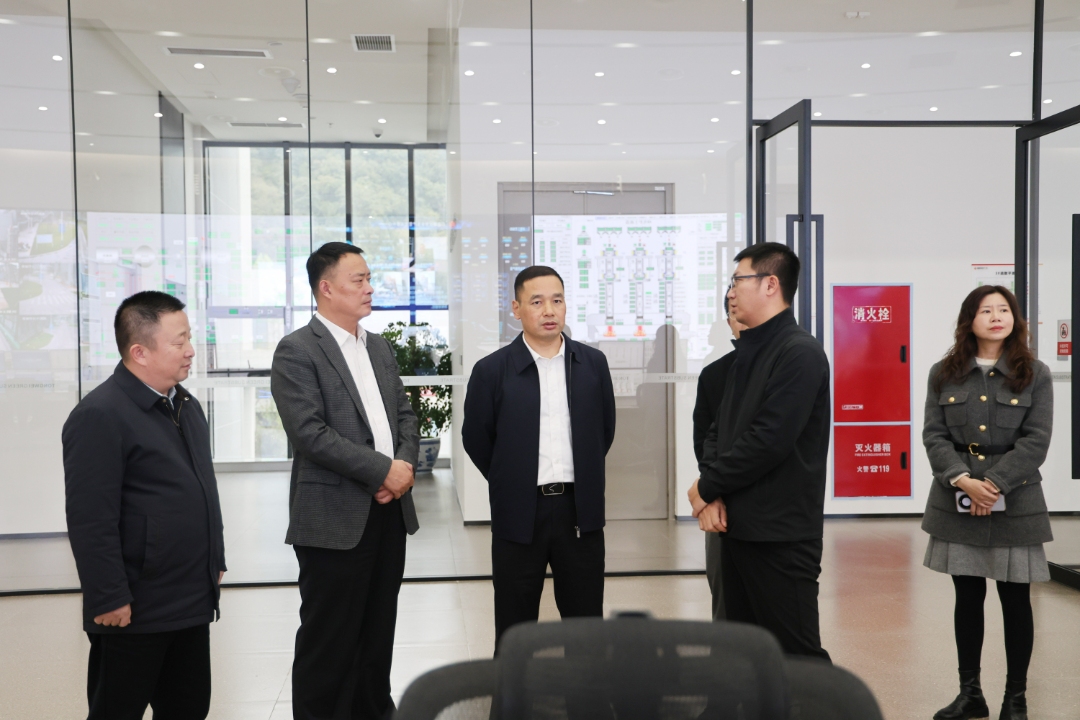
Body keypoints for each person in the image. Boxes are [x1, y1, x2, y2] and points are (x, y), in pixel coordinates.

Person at [271, 242, 420, 720]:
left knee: (378, 632)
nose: (370, 287)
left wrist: (402, 468)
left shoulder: (378, 346)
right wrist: (382, 470)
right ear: (327, 288)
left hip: (389, 513)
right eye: (359, 279)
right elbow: (310, 433)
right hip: (333, 519)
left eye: (369, 278)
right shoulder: (297, 349)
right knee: (329, 639)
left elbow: (405, 416)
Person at [62, 290, 226, 720]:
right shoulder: (100, 415)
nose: (190, 351)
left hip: (190, 599)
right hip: (134, 607)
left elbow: (204, 491)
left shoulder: (185, 405)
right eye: (179, 341)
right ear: (139, 351)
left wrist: (215, 559)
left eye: (189, 338)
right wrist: (108, 596)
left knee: (188, 709)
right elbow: (90, 518)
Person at [688, 241, 831, 661]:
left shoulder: (799, 353)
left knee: (796, 657)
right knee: (740, 652)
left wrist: (706, 487)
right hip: (736, 528)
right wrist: (713, 492)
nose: (731, 292)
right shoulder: (749, 352)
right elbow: (719, 431)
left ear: (770, 284)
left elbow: (769, 439)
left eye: (738, 281)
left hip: (779, 536)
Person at [463, 265, 616, 649]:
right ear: (516, 309)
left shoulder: (592, 364)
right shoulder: (491, 370)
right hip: (519, 513)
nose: (549, 310)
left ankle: (584, 688)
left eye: (557, 300)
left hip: (579, 513)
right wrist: (510, 478)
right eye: (537, 302)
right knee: (515, 629)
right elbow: (477, 439)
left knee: (585, 626)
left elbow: (604, 432)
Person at [922, 285, 1052, 720]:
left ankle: (1015, 699)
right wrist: (963, 480)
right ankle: (970, 695)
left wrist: (992, 484)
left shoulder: (1035, 373)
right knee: (967, 597)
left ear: (1014, 319)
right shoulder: (944, 373)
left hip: (1016, 500)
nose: (996, 317)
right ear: (969, 320)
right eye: (985, 310)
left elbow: (1036, 441)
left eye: (1003, 310)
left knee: (1016, 601)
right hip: (956, 498)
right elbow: (934, 435)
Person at [692, 296, 747, 621]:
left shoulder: (792, 366)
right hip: (723, 501)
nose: (746, 324)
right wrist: (711, 495)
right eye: (737, 317)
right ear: (728, 323)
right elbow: (704, 441)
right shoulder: (715, 375)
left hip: (772, 512)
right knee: (726, 604)